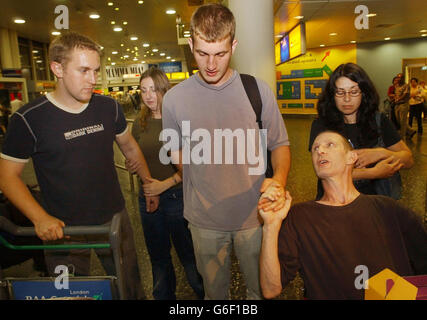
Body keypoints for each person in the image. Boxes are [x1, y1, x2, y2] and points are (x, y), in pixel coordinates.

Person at [0, 32, 157, 299]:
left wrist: (148, 182)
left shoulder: (108, 107)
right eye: (83, 70)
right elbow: (7, 177)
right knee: (71, 293)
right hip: (63, 229)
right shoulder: (28, 119)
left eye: (96, 70)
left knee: (129, 287)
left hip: (114, 219)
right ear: (57, 68)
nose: (93, 79)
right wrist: (40, 218)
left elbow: (129, 146)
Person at [162, 3, 291, 299]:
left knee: (260, 292)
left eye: (220, 53)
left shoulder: (257, 91)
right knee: (214, 295)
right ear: (190, 44)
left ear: (233, 45)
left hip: (255, 217)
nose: (210, 64)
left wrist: (279, 180)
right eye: (202, 53)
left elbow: (280, 144)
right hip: (203, 220)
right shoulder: (174, 99)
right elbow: (176, 153)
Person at [259, 131, 427, 300]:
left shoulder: (386, 208)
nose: (320, 151)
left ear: (351, 157)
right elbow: (270, 289)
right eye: (315, 148)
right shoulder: (299, 216)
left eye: (329, 145)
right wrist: (270, 226)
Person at [128, 66, 204, 300]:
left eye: (154, 89)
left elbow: (195, 166)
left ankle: (205, 296)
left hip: (177, 197)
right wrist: (134, 167)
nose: (149, 95)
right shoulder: (139, 124)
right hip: (148, 200)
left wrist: (166, 184)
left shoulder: (181, 121)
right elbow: (135, 156)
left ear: (164, 89)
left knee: (189, 257)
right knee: (158, 259)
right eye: (143, 90)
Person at [309, 63, 413, 199]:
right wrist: (373, 173)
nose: (347, 99)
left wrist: (381, 153)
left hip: (374, 204)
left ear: (364, 93)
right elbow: (323, 171)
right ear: (332, 95)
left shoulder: (378, 120)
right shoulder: (321, 125)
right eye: (340, 92)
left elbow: (408, 160)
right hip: (334, 203)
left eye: (353, 92)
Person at [394, 74, 416, 139]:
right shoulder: (396, 85)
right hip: (397, 105)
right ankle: (411, 131)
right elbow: (396, 93)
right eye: (398, 77)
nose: (398, 79)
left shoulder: (406, 85)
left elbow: (405, 94)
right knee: (399, 120)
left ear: (403, 78)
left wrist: (398, 99)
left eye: (400, 78)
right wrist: (395, 98)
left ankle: (402, 136)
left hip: (403, 104)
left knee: (402, 121)